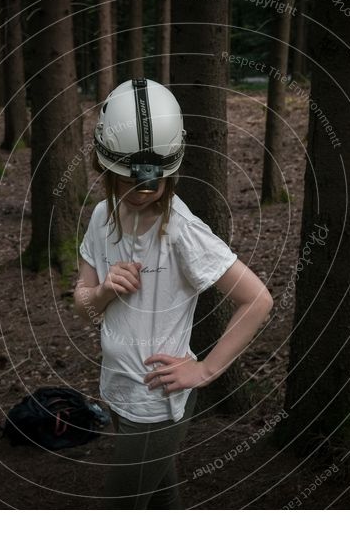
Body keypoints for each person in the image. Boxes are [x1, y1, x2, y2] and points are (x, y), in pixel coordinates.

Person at [73, 78, 273, 509]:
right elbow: (82, 300)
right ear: (107, 169)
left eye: (155, 183)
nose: (145, 192)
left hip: (155, 405)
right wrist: (106, 291)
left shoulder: (181, 231)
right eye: (132, 183)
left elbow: (257, 300)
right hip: (117, 392)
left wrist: (204, 371)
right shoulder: (100, 217)